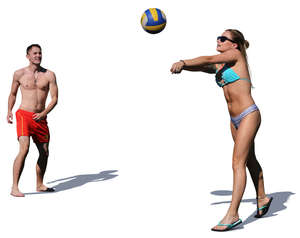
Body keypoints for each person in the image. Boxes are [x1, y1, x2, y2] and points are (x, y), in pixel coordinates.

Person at [170, 29, 273, 231]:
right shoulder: (222, 64)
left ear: (234, 44)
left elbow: (208, 58)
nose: (219, 40)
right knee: (249, 159)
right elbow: (204, 65)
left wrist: (183, 61)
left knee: (237, 163)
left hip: (249, 115)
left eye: (223, 38)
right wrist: (184, 68)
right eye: (218, 37)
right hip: (234, 119)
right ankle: (262, 197)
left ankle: (232, 214)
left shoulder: (235, 55)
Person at [7, 44, 58, 197]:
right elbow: (13, 94)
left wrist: (44, 113)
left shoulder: (49, 75)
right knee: (24, 148)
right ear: (27, 56)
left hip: (41, 117)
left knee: (45, 152)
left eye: (40, 53)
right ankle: (15, 187)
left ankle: (39, 184)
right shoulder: (19, 74)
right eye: (34, 53)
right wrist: (9, 110)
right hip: (24, 115)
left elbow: (55, 98)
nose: (38, 56)